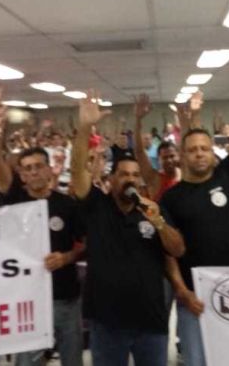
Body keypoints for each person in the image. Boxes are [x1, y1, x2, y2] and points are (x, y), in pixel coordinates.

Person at [160, 52, 229, 366]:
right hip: (195, 300)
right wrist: (181, 291)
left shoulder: (227, 177)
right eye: (192, 150)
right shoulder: (171, 198)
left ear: (212, 152)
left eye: (205, 148)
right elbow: (168, 254)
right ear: (183, 155)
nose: (200, 154)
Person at [70, 90, 185, 366]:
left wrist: (158, 222)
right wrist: (85, 128)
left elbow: (178, 249)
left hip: (151, 322)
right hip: (107, 323)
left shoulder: (152, 208)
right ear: (111, 179)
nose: (130, 179)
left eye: (135, 175)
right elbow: (77, 172)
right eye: (123, 174)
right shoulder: (97, 205)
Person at [0, 84, 84, 366]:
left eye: (39, 166)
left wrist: (66, 257)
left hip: (65, 298)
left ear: (50, 169)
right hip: (27, 299)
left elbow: (85, 246)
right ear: (22, 175)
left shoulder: (67, 204)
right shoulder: (15, 199)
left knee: (72, 360)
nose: (34, 172)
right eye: (28, 169)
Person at [133, 94, 181, 201]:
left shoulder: (186, 175)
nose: (169, 160)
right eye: (165, 157)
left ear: (178, 156)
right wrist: (138, 119)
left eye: (172, 156)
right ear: (159, 159)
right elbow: (139, 151)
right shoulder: (154, 179)